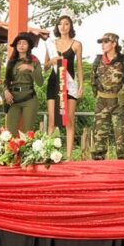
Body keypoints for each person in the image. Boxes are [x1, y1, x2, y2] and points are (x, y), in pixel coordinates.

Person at [44, 15, 84, 160]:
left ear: (70, 27)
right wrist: (52, 61)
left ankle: (68, 156)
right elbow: (45, 67)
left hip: (70, 84)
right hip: (54, 83)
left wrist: (81, 85)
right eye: (60, 24)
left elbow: (79, 66)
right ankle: (49, 153)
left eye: (66, 24)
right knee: (52, 120)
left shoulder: (76, 44)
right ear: (57, 27)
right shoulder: (51, 44)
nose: (63, 26)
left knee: (69, 119)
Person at [91, 33, 124, 160]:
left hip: (118, 103)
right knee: (99, 137)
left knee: (122, 137)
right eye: (102, 42)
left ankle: (123, 168)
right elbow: (93, 80)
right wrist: (98, 95)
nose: (103, 45)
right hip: (102, 102)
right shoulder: (98, 60)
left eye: (106, 42)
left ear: (114, 44)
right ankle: (98, 166)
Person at [3, 32, 43, 135]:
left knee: (28, 132)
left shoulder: (34, 60)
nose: (21, 45)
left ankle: (27, 150)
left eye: (24, 43)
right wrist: (6, 91)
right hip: (13, 99)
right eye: (19, 43)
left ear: (29, 45)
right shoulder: (11, 61)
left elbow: (40, 82)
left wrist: (31, 68)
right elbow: (6, 80)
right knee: (10, 133)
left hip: (29, 98)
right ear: (16, 46)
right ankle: (13, 151)